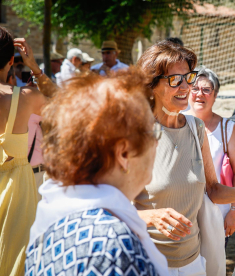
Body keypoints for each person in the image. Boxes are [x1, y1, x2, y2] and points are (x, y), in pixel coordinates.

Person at [135, 40, 235, 274]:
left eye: (189, 77)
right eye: (175, 79)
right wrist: (152, 216)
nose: (186, 87)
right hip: (148, 262)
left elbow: (212, 190)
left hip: (193, 262)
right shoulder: (136, 134)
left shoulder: (195, 128)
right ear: (151, 85)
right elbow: (113, 207)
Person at [25, 68, 170, 276]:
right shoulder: (114, 246)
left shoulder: (53, 217)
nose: (157, 142)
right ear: (123, 153)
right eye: (152, 131)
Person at [0, 29, 56, 275]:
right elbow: (68, 105)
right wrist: (35, 68)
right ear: (12, 60)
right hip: (18, 197)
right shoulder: (27, 98)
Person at [186, 67, 235, 242]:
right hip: (184, 211)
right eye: (195, 88)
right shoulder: (177, 123)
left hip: (216, 212)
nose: (200, 94)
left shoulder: (226, 128)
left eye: (207, 90)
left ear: (215, 95)